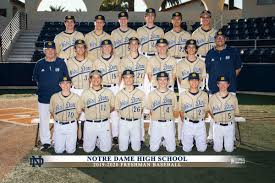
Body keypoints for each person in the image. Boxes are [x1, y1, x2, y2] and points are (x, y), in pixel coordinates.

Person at [205, 30, 242, 144]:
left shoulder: (233, 52)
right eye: (217, 37)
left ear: (225, 39)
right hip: (214, 88)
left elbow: (238, 68)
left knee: (229, 112)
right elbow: (207, 70)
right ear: (215, 39)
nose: (219, 39)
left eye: (222, 37)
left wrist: (227, 84)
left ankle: (232, 137)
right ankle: (211, 137)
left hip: (229, 88)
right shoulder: (210, 53)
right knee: (213, 112)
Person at [32, 41, 69, 151]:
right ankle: (46, 142)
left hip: (58, 98)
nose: (50, 51)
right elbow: (36, 79)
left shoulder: (61, 63)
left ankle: (57, 140)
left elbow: (66, 79)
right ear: (44, 51)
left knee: (59, 120)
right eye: (47, 49)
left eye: (52, 49)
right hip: (43, 98)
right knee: (44, 121)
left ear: (55, 50)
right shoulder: (39, 64)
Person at [120, 37, 148, 145]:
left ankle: (139, 138)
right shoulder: (124, 60)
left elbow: (147, 75)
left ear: (138, 45)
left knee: (139, 113)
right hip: (127, 87)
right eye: (131, 44)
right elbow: (121, 76)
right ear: (129, 46)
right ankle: (126, 138)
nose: (134, 45)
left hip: (140, 87)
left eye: (136, 43)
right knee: (127, 112)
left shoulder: (145, 59)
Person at [78, 70, 114, 152]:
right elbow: (82, 107)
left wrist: (106, 113)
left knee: (106, 150)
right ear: (90, 79)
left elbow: (113, 106)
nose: (95, 79)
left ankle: (99, 141)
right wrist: (90, 113)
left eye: (98, 77)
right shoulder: (85, 92)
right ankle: (96, 140)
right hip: (90, 123)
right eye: (93, 77)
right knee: (87, 150)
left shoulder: (108, 92)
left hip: (104, 123)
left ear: (101, 79)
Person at [92, 39, 121, 144]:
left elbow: (120, 74)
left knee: (115, 112)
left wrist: (118, 86)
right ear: (101, 48)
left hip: (114, 87)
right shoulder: (96, 61)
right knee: (101, 111)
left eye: (109, 46)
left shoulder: (117, 59)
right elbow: (94, 77)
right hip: (102, 87)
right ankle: (101, 134)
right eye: (104, 47)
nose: (107, 48)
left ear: (112, 48)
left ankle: (115, 135)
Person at [66, 39, 93, 145]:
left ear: (85, 48)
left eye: (82, 47)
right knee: (75, 115)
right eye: (78, 47)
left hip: (86, 90)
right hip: (74, 90)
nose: (80, 49)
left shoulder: (90, 62)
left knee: (86, 115)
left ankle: (84, 138)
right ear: (75, 49)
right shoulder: (69, 62)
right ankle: (76, 137)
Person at [147, 71, 178, 152]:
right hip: (156, 123)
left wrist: (170, 120)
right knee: (153, 149)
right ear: (157, 81)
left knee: (171, 150)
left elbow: (175, 110)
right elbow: (150, 110)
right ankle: (161, 138)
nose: (162, 82)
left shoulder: (172, 94)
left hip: (168, 123)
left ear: (168, 81)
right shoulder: (151, 94)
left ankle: (165, 139)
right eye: (160, 79)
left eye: (165, 79)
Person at [115, 70, 145, 151]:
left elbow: (142, 108)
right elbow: (117, 109)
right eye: (126, 78)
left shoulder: (140, 93)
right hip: (123, 122)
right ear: (123, 79)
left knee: (136, 149)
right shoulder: (119, 94)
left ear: (133, 78)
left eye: (130, 77)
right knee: (122, 149)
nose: (128, 79)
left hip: (136, 122)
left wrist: (135, 116)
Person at [178, 72, 208, 152]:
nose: (194, 82)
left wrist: (200, 119)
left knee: (202, 149)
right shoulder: (182, 95)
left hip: (200, 124)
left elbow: (206, 110)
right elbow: (181, 111)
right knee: (186, 149)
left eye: (196, 80)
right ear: (188, 82)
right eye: (192, 80)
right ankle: (191, 140)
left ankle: (196, 140)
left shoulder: (204, 95)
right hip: (188, 124)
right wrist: (186, 122)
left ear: (199, 81)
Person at [209, 76, 240, 152]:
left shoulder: (233, 98)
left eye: (225, 83)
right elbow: (209, 110)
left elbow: (236, 113)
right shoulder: (213, 97)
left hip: (229, 126)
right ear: (217, 85)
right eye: (220, 83)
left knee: (229, 150)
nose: (223, 86)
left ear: (228, 85)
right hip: (217, 126)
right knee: (217, 149)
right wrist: (216, 118)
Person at [49, 76, 80, 154]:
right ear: (59, 85)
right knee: (58, 151)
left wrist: (73, 121)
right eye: (63, 83)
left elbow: (79, 112)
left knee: (71, 151)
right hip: (58, 125)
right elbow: (52, 111)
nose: (65, 85)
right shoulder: (54, 97)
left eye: (67, 83)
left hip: (71, 125)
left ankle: (71, 144)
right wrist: (57, 120)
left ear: (71, 85)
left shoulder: (76, 97)